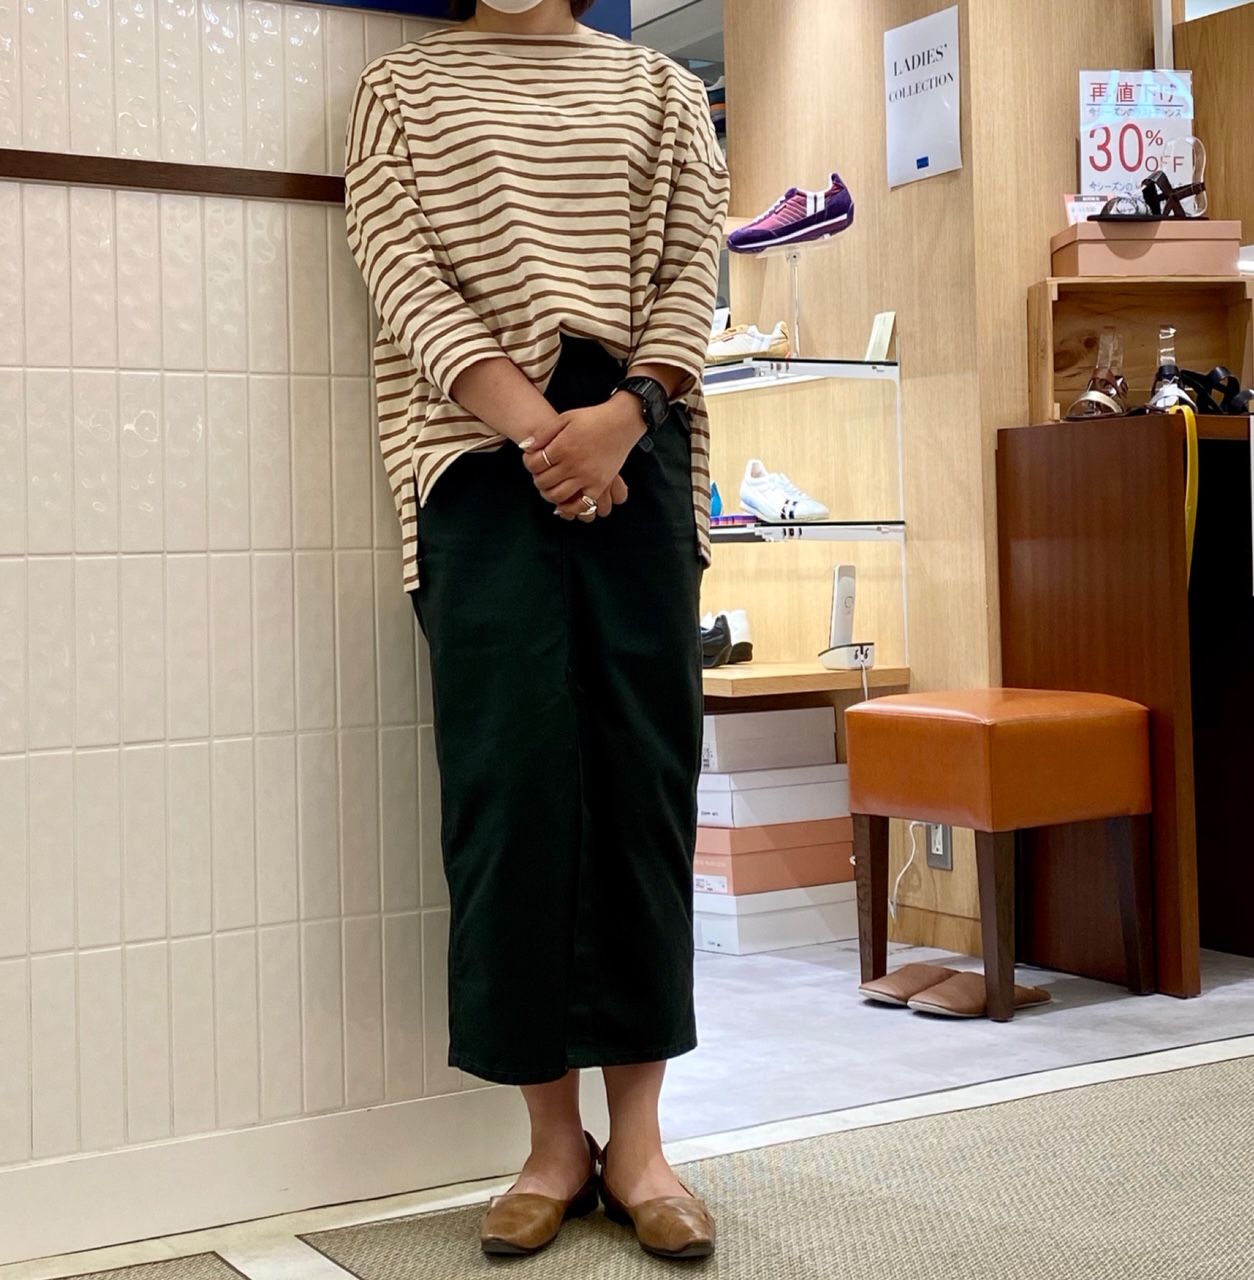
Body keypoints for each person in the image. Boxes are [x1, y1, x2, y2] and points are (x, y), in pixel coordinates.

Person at [344, 0, 729, 1260]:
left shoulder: (664, 91)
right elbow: (404, 277)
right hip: (473, 468)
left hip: (642, 452)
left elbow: (691, 272)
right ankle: (552, 1142)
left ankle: (644, 1144)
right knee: (510, 793)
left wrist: (622, 417)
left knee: (643, 792)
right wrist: (539, 432)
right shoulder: (399, 91)